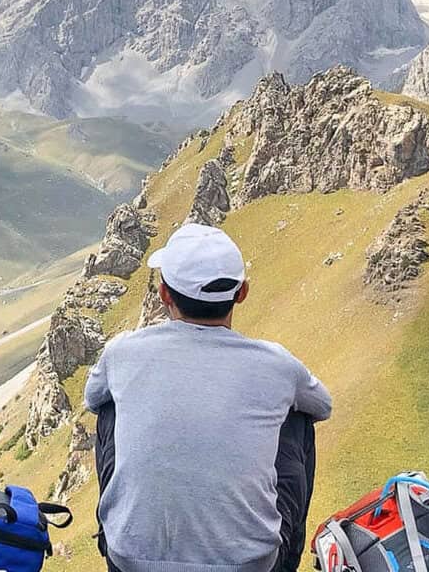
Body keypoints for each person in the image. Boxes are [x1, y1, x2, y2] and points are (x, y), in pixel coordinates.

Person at [86, 223, 332, 572]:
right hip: (249, 566)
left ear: (164, 294)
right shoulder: (277, 364)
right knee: (297, 416)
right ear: (242, 293)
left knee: (109, 407)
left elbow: (92, 398)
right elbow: (322, 405)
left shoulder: (122, 351)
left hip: (129, 561)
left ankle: (122, 526)